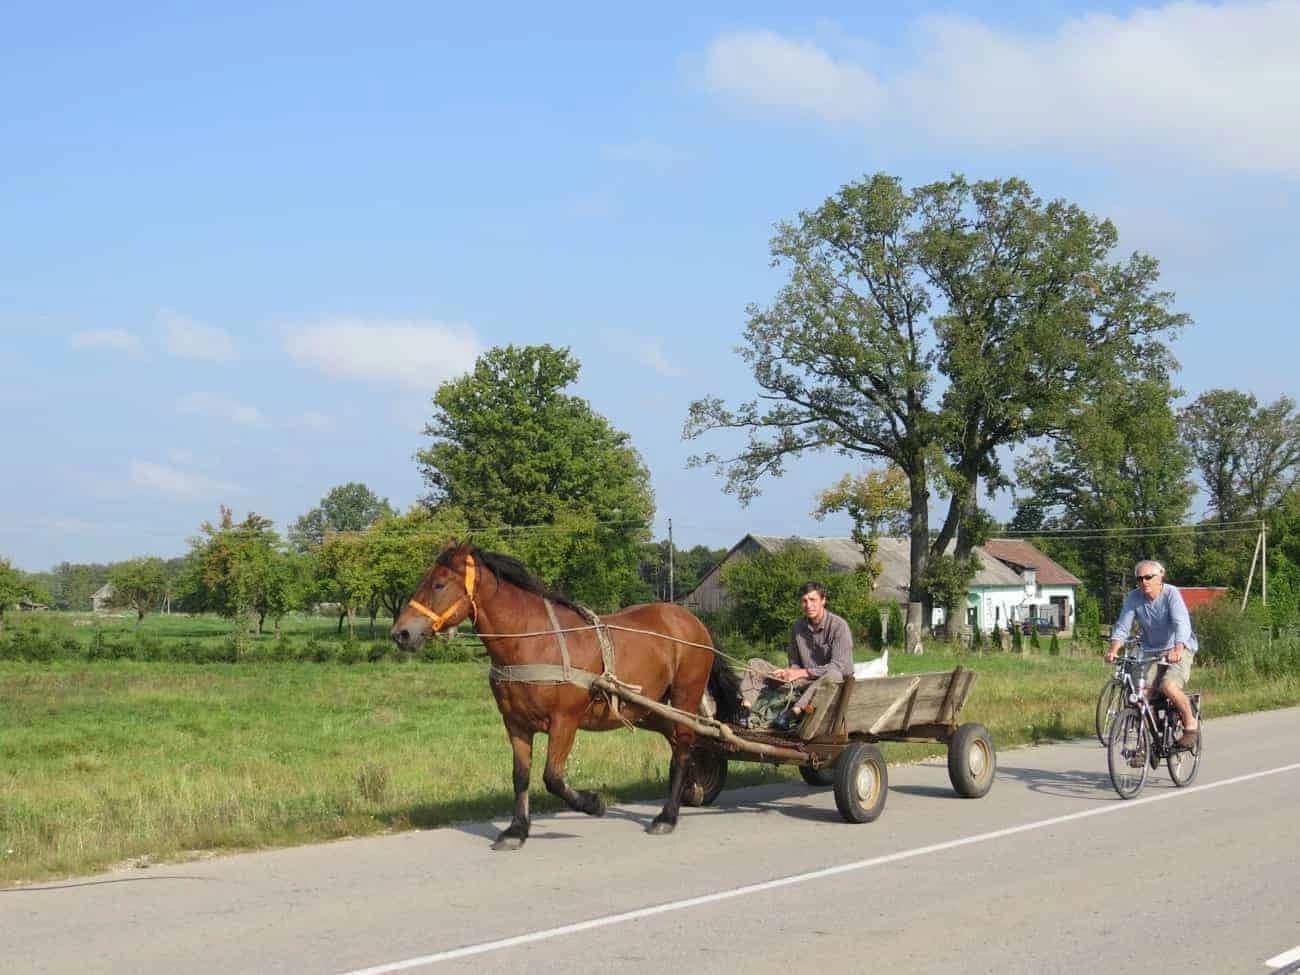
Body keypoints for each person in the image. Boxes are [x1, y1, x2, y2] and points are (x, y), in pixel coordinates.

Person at [1106, 559, 1199, 748]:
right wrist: (1114, 650)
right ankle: (1148, 741)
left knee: (1168, 686)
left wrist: (1178, 648)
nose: (1144, 582)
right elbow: (1123, 627)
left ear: (1161, 576)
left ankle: (1190, 726)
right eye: (1139, 579)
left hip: (1178, 647)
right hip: (1150, 650)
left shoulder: (1171, 594)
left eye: (1149, 577)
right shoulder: (1133, 598)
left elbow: (1182, 623)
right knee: (1140, 696)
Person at [738, 581, 855, 733]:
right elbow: (795, 663)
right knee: (756, 663)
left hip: (831, 682)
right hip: (804, 681)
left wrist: (800, 673)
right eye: (804, 601)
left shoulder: (839, 626)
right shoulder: (797, 627)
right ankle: (745, 710)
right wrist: (787, 673)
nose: (808, 605)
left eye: (813, 600)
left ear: (823, 600)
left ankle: (791, 714)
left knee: (833, 674)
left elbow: (837, 666)